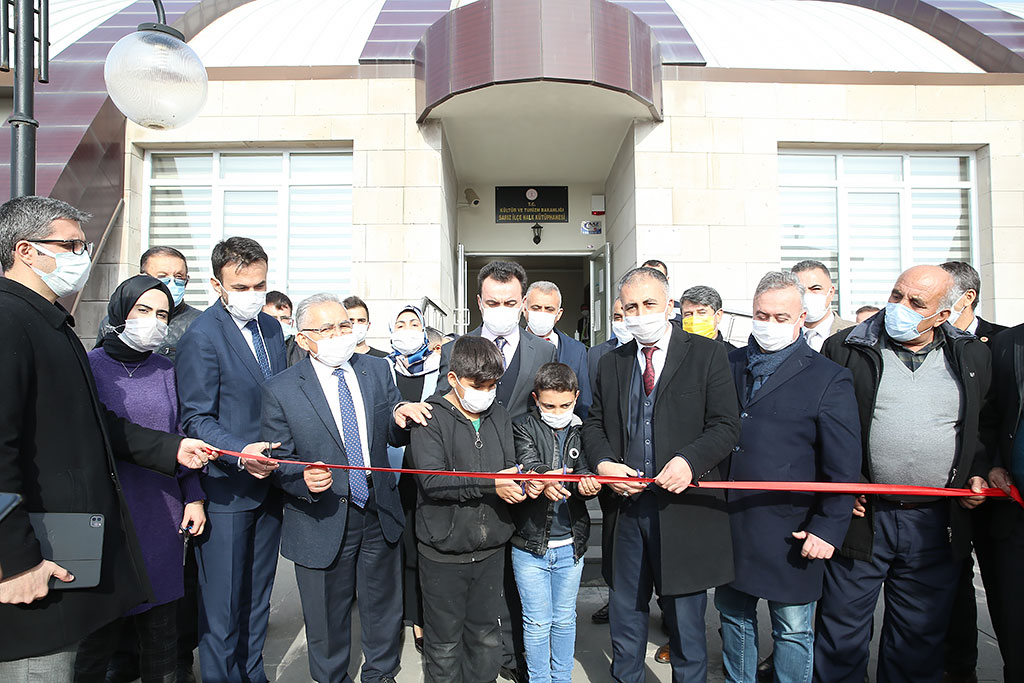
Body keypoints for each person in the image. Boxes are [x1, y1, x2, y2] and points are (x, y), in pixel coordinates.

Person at [0, 195, 213, 676]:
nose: (83, 255)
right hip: (35, 553)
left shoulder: (52, 325)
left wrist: (171, 448)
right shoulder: (10, 321)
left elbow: (96, 425)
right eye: (71, 244)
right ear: (26, 250)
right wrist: (13, 560)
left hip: (70, 536)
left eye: (83, 243)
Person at [813, 265, 994, 683]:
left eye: (916, 303)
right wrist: (843, 485)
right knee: (841, 632)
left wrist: (979, 472)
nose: (900, 308)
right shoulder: (845, 348)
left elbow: (982, 428)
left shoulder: (971, 356)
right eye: (897, 295)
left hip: (933, 522)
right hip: (862, 517)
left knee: (917, 639)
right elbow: (819, 427)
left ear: (943, 316)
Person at [261, 293, 429, 683]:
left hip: (377, 504)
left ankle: (381, 673)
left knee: (382, 605)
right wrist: (299, 478)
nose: (340, 335)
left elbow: (387, 426)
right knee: (325, 614)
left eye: (344, 326)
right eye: (327, 329)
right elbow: (277, 458)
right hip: (320, 514)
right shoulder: (281, 389)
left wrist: (400, 419)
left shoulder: (374, 369)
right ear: (304, 339)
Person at [583, 266, 740, 682]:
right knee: (626, 615)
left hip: (685, 509)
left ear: (669, 305)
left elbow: (726, 425)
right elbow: (594, 424)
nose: (640, 313)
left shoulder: (707, 355)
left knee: (686, 625)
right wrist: (602, 464)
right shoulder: (610, 362)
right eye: (631, 306)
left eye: (649, 304)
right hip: (627, 511)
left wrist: (690, 460)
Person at [716, 271, 861, 683]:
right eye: (761, 315)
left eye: (781, 317)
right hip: (731, 520)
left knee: (794, 628)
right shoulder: (729, 364)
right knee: (732, 617)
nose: (769, 325)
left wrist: (829, 528)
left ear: (801, 319)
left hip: (792, 529)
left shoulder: (828, 377)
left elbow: (842, 465)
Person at [75, 276, 207, 683]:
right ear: (120, 312)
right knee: (97, 642)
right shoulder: (89, 366)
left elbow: (180, 435)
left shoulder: (166, 369)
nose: (154, 321)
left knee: (162, 637)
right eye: (143, 311)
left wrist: (194, 496)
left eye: (163, 314)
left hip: (161, 513)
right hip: (106, 515)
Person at [435, 260, 556, 682]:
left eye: (509, 301)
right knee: (482, 587)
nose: (500, 308)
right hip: (472, 485)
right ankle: (490, 657)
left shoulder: (544, 348)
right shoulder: (459, 345)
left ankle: (516, 656)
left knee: (517, 580)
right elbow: (440, 404)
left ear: (523, 302)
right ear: (479, 302)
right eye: (492, 301)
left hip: (522, 479)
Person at [175, 236, 289, 683]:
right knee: (222, 604)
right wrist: (240, 453)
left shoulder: (272, 328)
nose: (253, 295)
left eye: (259, 285)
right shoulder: (201, 336)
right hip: (226, 489)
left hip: (269, 486)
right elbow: (196, 418)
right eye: (241, 287)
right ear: (217, 285)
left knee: (257, 598)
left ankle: (252, 673)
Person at [410, 335, 527, 683]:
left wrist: (523, 483)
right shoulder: (430, 418)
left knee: (486, 639)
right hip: (442, 551)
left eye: (493, 385)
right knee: (445, 645)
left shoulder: (499, 415)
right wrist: (492, 484)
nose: (487, 392)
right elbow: (432, 481)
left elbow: (509, 466)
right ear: (453, 379)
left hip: (491, 548)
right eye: (479, 385)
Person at [511, 362, 601, 683]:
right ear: (536, 399)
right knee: (537, 622)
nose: (557, 411)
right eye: (549, 405)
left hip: (570, 547)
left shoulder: (585, 430)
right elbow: (529, 461)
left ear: (576, 397)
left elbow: (586, 471)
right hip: (530, 545)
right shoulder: (522, 426)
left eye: (565, 405)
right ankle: (539, 679)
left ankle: (562, 677)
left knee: (564, 619)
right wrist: (540, 477)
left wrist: (587, 483)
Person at [939, 260, 1007, 683]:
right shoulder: (930, 342)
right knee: (954, 583)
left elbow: (998, 417)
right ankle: (958, 668)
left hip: (995, 490)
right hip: (949, 490)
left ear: (966, 297)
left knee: (1002, 592)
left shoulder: (1000, 342)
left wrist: (989, 467)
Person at [386, 305, 444, 653]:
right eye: (400, 323)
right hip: (393, 471)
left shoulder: (440, 367)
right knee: (403, 546)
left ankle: (426, 615)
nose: (407, 329)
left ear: (425, 331)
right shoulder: (381, 369)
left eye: (414, 323)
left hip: (429, 470)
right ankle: (407, 616)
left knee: (427, 547)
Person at [981, 323, 1024, 682]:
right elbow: (989, 415)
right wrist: (993, 462)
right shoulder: (1007, 343)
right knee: (1015, 623)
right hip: (1014, 510)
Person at [585, 297, 630, 627]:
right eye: (618, 314)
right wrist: (601, 461)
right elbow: (592, 411)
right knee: (617, 550)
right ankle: (616, 602)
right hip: (611, 469)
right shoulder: (599, 355)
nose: (625, 319)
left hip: (661, 472)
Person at [96, 245, 201, 361]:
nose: (172, 283)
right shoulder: (113, 322)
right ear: (142, 277)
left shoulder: (199, 323)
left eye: (179, 277)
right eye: (162, 276)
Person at [524, 281, 592, 418]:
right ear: (524, 309)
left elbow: (584, 402)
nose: (542, 313)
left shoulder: (576, 350)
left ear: (559, 314)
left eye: (549, 309)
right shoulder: (510, 346)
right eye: (536, 308)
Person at [791, 260, 854, 352]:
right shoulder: (781, 336)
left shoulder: (854, 333)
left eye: (816, 288)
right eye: (800, 289)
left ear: (831, 293)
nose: (807, 294)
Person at [680, 285, 737, 350]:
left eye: (701, 313)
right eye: (688, 314)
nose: (694, 319)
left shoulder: (732, 357)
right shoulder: (673, 353)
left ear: (718, 315)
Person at [264, 290, 307, 368]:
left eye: (284, 318)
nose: (279, 323)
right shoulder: (252, 351)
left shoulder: (303, 355)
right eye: (272, 318)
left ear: (292, 322)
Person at [641, 259, 682, 325]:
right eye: (647, 277)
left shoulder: (681, 309)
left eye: (659, 277)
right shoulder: (628, 309)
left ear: (667, 280)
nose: (653, 281)